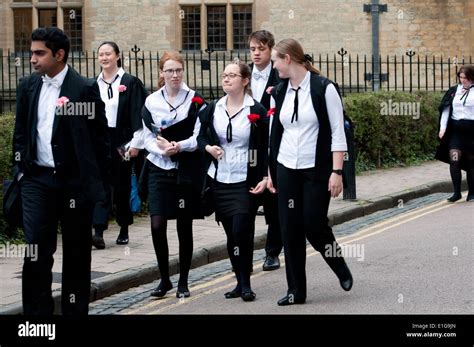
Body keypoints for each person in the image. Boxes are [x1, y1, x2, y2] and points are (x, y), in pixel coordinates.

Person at [13, 27, 110, 315]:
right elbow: (21, 132)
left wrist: (96, 188)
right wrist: (21, 170)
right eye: (31, 52)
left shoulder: (83, 89)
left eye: (39, 53)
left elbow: (100, 143)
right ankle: (36, 320)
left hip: (73, 185)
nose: (32, 59)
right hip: (36, 181)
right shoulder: (28, 86)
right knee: (35, 252)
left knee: (77, 253)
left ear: (59, 54)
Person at [267, 39, 353, 306]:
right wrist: (271, 172)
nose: (273, 66)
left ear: (288, 58)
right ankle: (296, 291)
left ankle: (338, 264)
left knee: (313, 223)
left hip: (316, 169)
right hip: (286, 168)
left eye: (275, 60)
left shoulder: (323, 88)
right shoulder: (279, 91)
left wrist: (337, 171)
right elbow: (275, 133)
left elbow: (338, 132)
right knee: (289, 228)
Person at [197, 60, 268, 302]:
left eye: (232, 75)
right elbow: (198, 136)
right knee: (231, 235)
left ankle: (247, 283)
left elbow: (266, 147)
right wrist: (208, 147)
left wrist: (266, 176)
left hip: (244, 179)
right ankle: (239, 282)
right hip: (220, 179)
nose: (226, 79)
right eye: (224, 75)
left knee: (242, 231)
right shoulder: (212, 109)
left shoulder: (255, 110)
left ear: (245, 81)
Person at [141, 51, 206, 299]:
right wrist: (160, 148)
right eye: (169, 70)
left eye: (178, 70)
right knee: (157, 224)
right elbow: (146, 134)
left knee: (183, 225)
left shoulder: (195, 101)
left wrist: (179, 146)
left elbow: (200, 136)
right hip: (159, 167)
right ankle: (165, 279)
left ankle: (183, 281)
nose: (175, 75)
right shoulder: (151, 101)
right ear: (162, 73)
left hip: (184, 168)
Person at [92, 41, 148, 249]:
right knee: (100, 184)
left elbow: (139, 114)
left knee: (122, 184)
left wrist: (136, 144)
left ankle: (124, 227)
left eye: (108, 54)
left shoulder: (130, 82)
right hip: (101, 140)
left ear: (117, 56)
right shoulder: (93, 84)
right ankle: (98, 230)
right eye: (101, 55)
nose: (104, 58)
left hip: (123, 141)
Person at [248, 30, 283, 272]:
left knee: (273, 202)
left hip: (273, 148)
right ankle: (241, 255)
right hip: (248, 149)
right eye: (253, 49)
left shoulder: (280, 77)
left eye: (261, 48)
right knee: (247, 201)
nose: (257, 53)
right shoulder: (242, 75)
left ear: (270, 50)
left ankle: (272, 253)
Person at [436, 65, 474, 202]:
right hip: (456, 131)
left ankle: (472, 193)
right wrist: (442, 128)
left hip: (471, 131)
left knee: (471, 162)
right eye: (461, 77)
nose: (462, 80)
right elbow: (446, 110)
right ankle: (456, 192)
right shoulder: (454, 91)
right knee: (454, 159)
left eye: (466, 78)